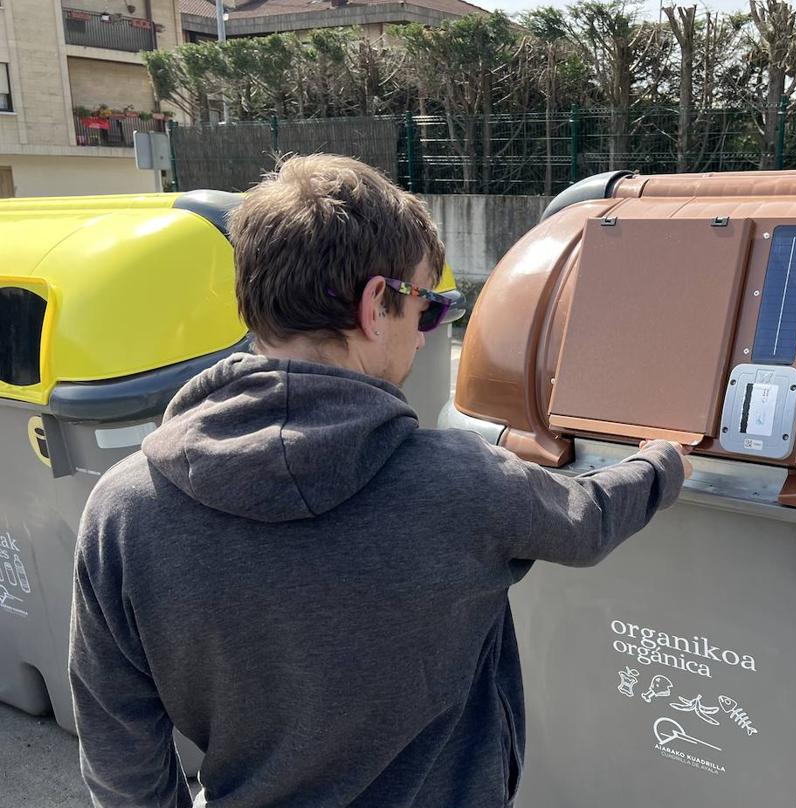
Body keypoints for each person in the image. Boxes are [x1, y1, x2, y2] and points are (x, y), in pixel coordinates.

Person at [68, 154, 690, 807]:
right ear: (374, 305)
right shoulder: (461, 485)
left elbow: (120, 760)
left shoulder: (123, 510)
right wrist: (661, 463)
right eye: (427, 306)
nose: (427, 338)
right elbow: (587, 521)